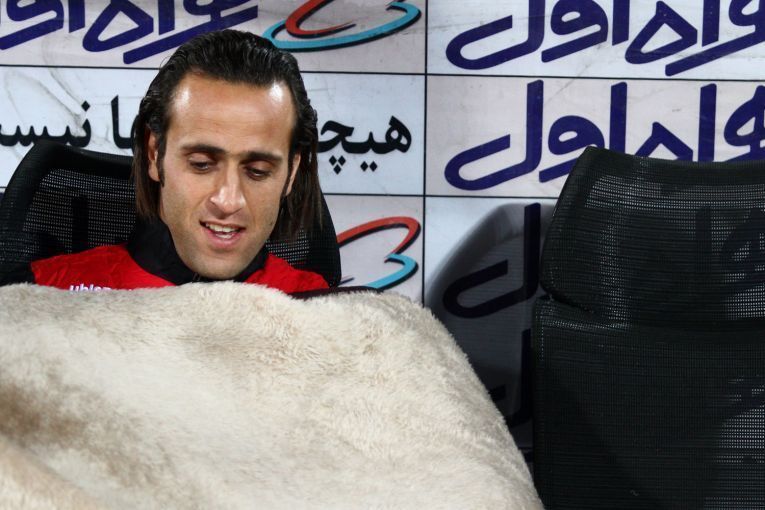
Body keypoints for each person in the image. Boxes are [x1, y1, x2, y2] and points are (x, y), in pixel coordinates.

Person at [10, 30, 329, 293]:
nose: (228, 201)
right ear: (154, 153)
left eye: (258, 171)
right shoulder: (41, 297)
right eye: (202, 164)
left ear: (291, 172)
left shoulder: (324, 313)